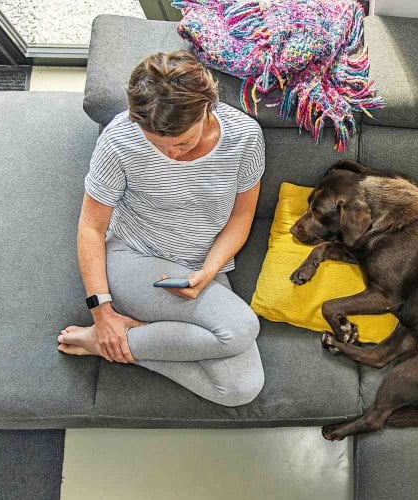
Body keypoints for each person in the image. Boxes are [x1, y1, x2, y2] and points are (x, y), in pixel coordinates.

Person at [58, 50, 265, 407]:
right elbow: (91, 227)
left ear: (206, 108)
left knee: (240, 389)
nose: (171, 155)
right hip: (136, 258)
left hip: (200, 268)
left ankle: (120, 344)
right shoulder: (119, 139)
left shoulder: (244, 137)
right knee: (241, 328)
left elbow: (241, 217)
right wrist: (102, 313)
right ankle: (107, 336)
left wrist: (209, 269)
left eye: (183, 142)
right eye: (158, 145)